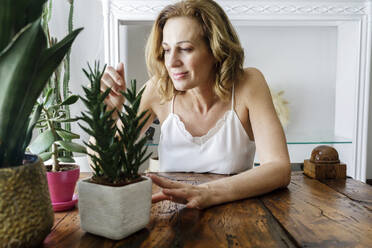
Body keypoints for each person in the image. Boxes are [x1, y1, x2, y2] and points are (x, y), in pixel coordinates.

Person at [100, 0, 290, 209]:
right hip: (171, 215)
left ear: (216, 50)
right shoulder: (159, 88)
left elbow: (278, 168)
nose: (171, 62)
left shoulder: (249, 84)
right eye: (166, 50)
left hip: (237, 215)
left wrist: (207, 193)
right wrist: (107, 114)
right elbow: (106, 164)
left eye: (185, 49)